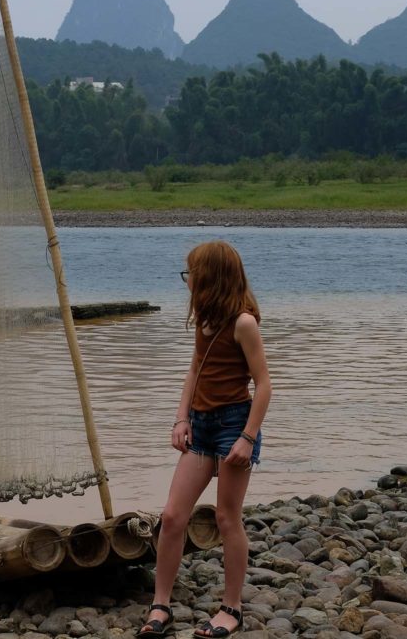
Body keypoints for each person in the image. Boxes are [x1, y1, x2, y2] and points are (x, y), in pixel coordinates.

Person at [139, 240, 272, 639]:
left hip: (235, 425)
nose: (187, 280)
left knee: (226, 517)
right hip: (201, 425)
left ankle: (232, 609)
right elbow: (195, 371)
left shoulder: (243, 323)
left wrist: (248, 438)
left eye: (191, 273)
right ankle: (160, 606)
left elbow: (264, 386)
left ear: (210, 276)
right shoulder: (206, 320)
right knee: (173, 516)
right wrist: (181, 419)